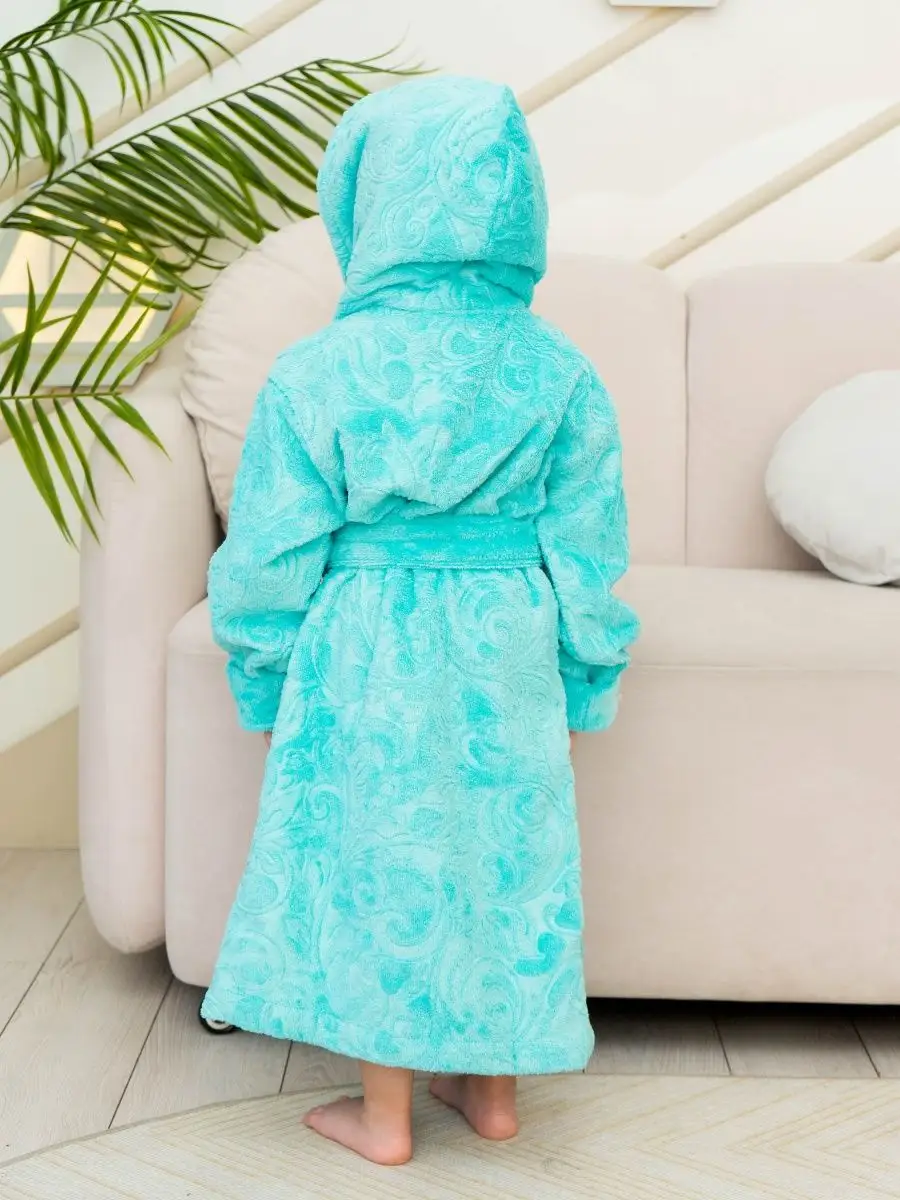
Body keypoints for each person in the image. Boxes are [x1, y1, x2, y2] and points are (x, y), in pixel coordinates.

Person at [201, 75, 639, 1166]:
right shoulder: (557, 365)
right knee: (501, 855)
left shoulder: (317, 370)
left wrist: (262, 667)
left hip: (366, 641)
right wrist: (588, 667)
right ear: (519, 202)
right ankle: (492, 1097)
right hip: (510, 634)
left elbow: (269, 547)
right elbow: (590, 538)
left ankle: (385, 1117)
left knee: (381, 858)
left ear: (368, 199)